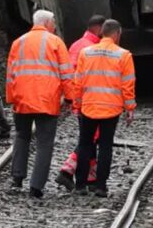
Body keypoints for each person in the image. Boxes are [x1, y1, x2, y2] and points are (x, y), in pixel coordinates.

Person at [5, 9, 75, 198]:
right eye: (53, 21)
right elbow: (66, 73)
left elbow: (10, 74)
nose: (54, 25)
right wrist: (70, 97)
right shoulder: (55, 42)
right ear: (46, 23)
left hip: (22, 100)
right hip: (47, 100)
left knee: (22, 136)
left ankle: (17, 179)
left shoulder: (18, 43)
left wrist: (11, 98)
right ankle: (36, 186)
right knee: (45, 143)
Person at [72, 19, 136, 197]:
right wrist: (129, 108)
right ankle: (101, 186)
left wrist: (77, 104)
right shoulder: (124, 55)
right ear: (117, 34)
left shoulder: (85, 53)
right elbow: (127, 85)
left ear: (102, 33)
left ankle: (81, 184)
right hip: (111, 108)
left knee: (85, 144)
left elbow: (78, 82)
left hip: (89, 106)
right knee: (105, 146)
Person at [56, 14, 106, 190]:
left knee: (88, 138)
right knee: (91, 138)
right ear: (99, 29)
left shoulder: (77, 45)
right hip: (92, 101)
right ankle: (67, 170)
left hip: (79, 100)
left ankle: (90, 177)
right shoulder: (94, 48)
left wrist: (72, 99)